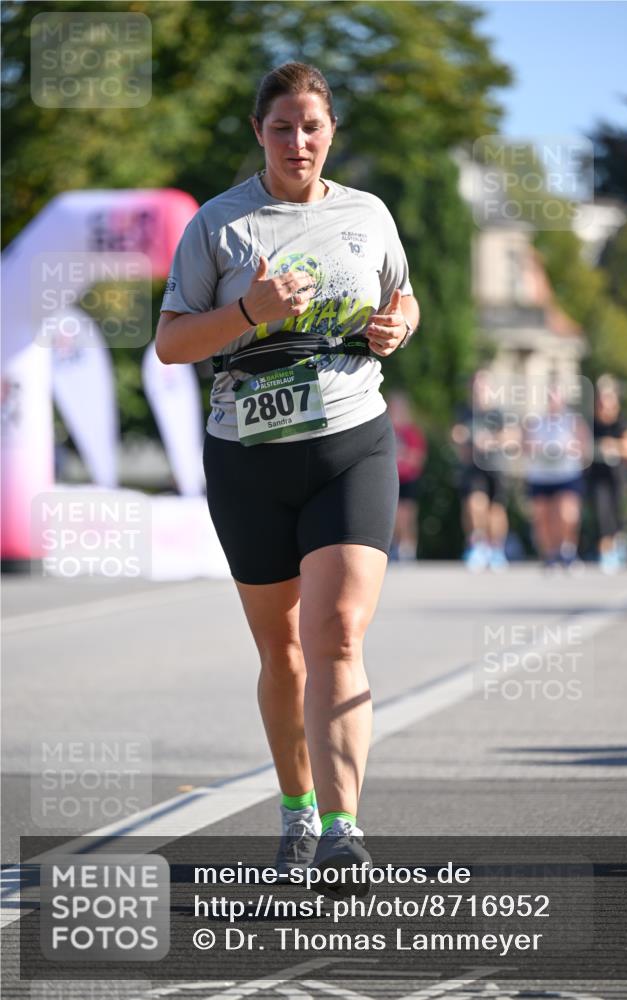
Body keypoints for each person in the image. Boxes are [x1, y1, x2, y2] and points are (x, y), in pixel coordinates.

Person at [156, 63, 419, 896]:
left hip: (351, 441)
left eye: (311, 126)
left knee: (336, 632)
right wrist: (247, 314)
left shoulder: (366, 215)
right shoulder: (218, 226)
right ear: (256, 132)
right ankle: (297, 811)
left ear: (331, 130)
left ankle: (344, 830)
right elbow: (170, 345)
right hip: (247, 458)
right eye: (281, 127)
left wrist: (396, 327)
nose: (297, 142)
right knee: (283, 651)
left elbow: (405, 296)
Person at [523, 383, 590, 569]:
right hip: (541, 476)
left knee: (567, 514)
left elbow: (584, 447)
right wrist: (541, 449)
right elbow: (525, 445)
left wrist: (568, 449)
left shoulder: (573, 421)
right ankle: (550, 554)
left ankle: (567, 549)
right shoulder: (536, 421)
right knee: (542, 516)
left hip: (566, 475)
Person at [451, 370, 510, 571]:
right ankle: (478, 544)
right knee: (474, 504)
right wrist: (467, 437)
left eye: (483, 386)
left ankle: (496, 549)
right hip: (472, 467)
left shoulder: (498, 413)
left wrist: (491, 441)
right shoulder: (465, 411)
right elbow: (456, 434)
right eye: (476, 386)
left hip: (495, 466)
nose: (479, 390)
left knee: (495, 510)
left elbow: (512, 437)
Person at [587, 375, 627, 572]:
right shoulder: (591, 423)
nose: (604, 404)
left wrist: (614, 446)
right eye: (601, 399)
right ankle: (606, 553)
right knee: (602, 513)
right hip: (596, 477)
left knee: (618, 514)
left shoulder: (623, 422)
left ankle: (619, 544)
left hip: (618, 477)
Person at [387, 392, 427, 561]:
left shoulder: (411, 432)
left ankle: (408, 548)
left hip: (408, 479)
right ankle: (396, 545)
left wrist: (404, 459)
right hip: (390, 479)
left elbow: (418, 457)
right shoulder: (386, 429)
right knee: (393, 515)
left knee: (407, 515)